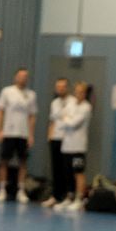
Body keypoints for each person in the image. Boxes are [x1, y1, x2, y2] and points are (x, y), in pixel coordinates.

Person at [0, 67, 36, 203]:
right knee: (4, 161)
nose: (23, 78)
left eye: (25, 76)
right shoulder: (7, 91)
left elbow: (32, 116)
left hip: (23, 134)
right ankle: (2, 190)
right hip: (8, 133)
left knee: (23, 162)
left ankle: (21, 191)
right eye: (21, 76)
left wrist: (31, 135)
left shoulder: (31, 95)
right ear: (15, 77)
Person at [54, 81, 91, 213]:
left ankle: (79, 199)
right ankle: (69, 197)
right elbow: (59, 116)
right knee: (67, 173)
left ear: (85, 94)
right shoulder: (70, 104)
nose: (78, 94)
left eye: (81, 92)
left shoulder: (86, 107)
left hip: (78, 148)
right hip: (66, 146)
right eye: (77, 92)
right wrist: (67, 119)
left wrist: (66, 119)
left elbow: (73, 123)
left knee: (78, 173)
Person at [42, 77, 73, 208]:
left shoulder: (73, 102)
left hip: (68, 140)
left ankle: (68, 196)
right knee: (56, 168)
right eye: (58, 87)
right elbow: (53, 120)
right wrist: (49, 136)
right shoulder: (54, 103)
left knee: (68, 168)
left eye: (63, 86)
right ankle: (56, 196)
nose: (60, 89)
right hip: (55, 138)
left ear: (67, 88)